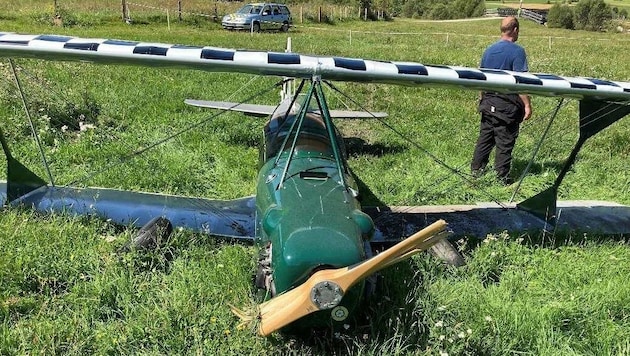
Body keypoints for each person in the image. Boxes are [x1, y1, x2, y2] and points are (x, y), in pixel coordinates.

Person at [471, 16, 532, 186]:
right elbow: (521, 81)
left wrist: (482, 98)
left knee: (485, 139)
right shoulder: (517, 51)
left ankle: (476, 173)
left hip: (488, 101)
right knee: (504, 142)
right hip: (507, 105)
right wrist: (527, 104)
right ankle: (502, 179)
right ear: (515, 30)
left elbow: (481, 78)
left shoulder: (489, 50)